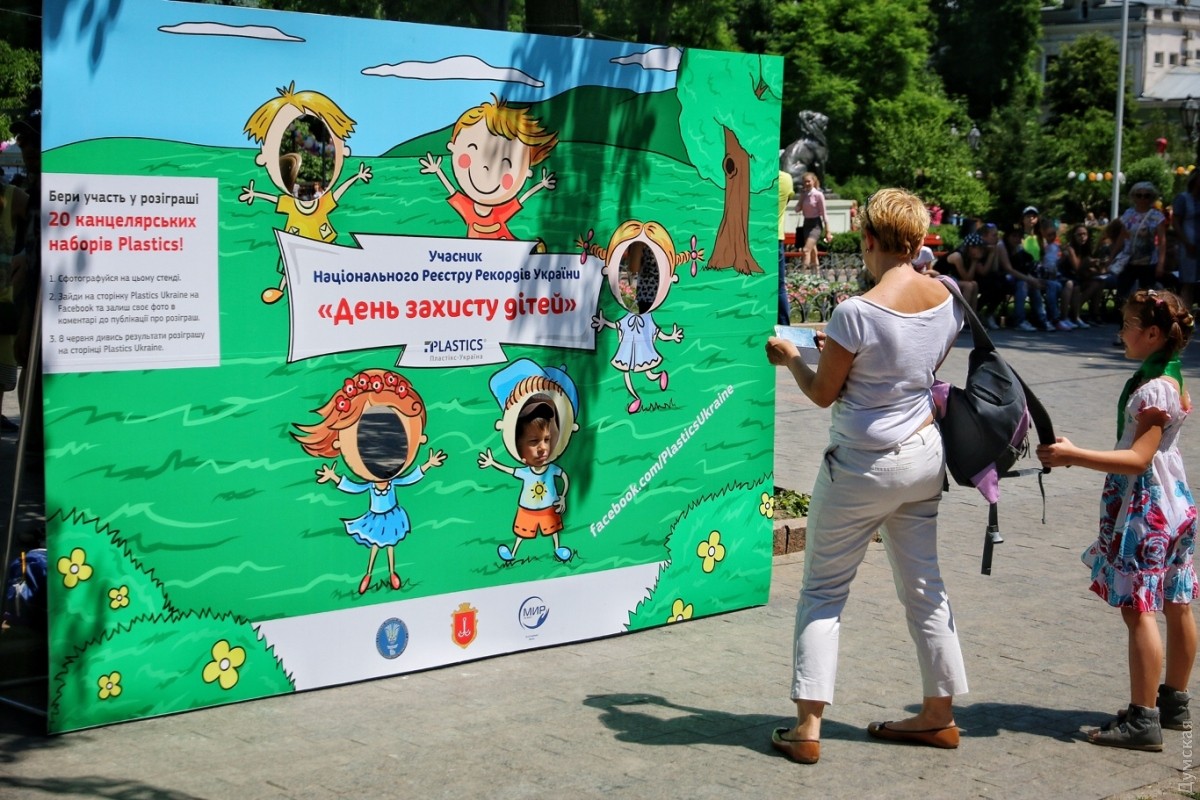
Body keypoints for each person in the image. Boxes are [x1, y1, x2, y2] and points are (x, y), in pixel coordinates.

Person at [765, 188, 968, 765]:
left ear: (870, 239)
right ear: (918, 239)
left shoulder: (854, 312)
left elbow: (823, 393)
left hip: (860, 464)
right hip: (923, 456)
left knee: (824, 591)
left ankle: (807, 726)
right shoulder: (948, 297)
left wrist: (794, 358)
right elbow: (916, 365)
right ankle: (939, 714)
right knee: (925, 588)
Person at [1036, 289, 1197, 751]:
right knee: (1177, 599)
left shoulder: (1153, 389)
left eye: (1128, 325)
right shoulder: (1170, 376)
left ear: (1152, 333)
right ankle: (1174, 702)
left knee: (1139, 607)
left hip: (1147, 508)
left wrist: (1073, 456)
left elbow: (1137, 458)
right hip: (1174, 500)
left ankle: (1144, 718)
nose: (1120, 332)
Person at [294, 369, 448, 594]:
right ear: (338, 443)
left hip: (392, 516)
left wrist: (427, 465)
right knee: (376, 547)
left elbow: (409, 478)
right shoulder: (371, 485)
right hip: (376, 518)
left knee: (391, 546)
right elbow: (354, 487)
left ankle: (392, 572)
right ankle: (368, 574)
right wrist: (334, 477)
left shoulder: (393, 482)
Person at [1062, 223, 1103, 326]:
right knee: (1094, 284)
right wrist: (1088, 262)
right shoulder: (1070, 248)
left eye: (1085, 234)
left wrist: (1096, 268)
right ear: (1074, 236)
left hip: (1080, 278)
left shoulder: (1085, 248)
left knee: (1099, 282)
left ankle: (1094, 314)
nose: (1082, 237)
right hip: (1068, 278)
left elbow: (1086, 268)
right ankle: (1074, 311)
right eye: (1079, 235)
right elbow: (1076, 268)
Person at [1036, 220, 1073, 330]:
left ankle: (1063, 317)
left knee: (1067, 284)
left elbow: (1055, 263)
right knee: (1053, 286)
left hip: (1054, 275)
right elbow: (1040, 263)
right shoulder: (1040, 246)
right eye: (1049, 235)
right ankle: (1055, 318)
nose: (1052, 237)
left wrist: (1063, 257)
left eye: (1054, 234)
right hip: (1043, 276)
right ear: (1042, 233)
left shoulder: (1055, 246)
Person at [1173, 171, 1200, 311]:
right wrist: (1186, 242)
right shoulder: (1183, 198)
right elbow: (1176, 223)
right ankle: (1185, 316)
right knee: (1188, 283)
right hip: (1189, 244)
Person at [938, 232, 983, 311]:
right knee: (968, 286)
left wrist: (974, 261)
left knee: (974, 284)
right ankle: (963, 314)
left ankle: (972, 315)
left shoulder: (969, 256)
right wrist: (974, 262)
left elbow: (970, 278)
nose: (981, 251)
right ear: (970, 248)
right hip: (941, 278)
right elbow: (966, 278)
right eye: (979, 248)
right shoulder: (957, 256)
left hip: (953, 279)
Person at [794, 172, 830, 269]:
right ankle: (816, 275)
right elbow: (797, 209)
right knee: (813, 252)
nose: (807, 183)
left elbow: (824, 213)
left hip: (816, 225)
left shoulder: (818, 195)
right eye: (805, 182)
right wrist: (801, 198)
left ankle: (802, 275)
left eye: (808, 181)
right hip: (806, 224)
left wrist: (828, 231)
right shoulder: (804, 195)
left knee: (806, 250)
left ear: (813, 181)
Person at [778, 168, 795, 324]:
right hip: (776, 238)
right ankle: (785, 327)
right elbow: (788, 200)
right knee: (779, 287)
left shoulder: (753, 176)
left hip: (754, 239)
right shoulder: (786, 179)